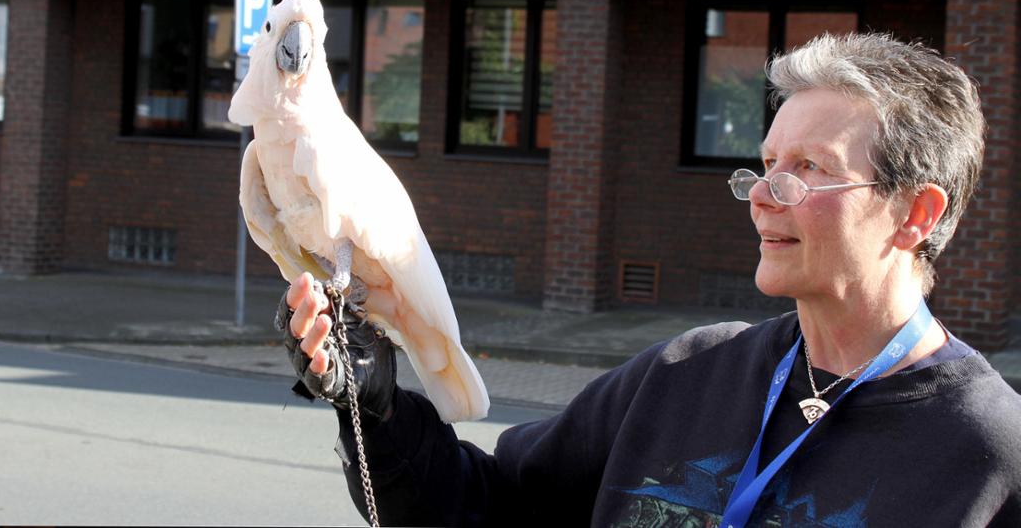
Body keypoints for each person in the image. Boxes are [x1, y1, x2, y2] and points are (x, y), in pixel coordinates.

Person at [278, 33, 1021, 527]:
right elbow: (485, 508)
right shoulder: (685, 374)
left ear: (915, 213)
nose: (763, 194)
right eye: (766, 165)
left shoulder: (992, 450)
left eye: (810, 169)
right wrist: (372, 402)